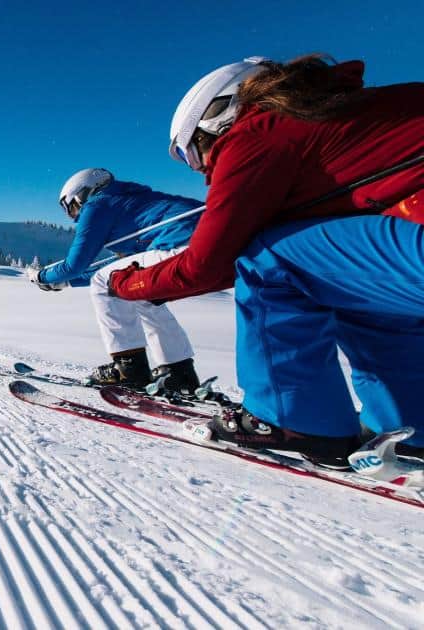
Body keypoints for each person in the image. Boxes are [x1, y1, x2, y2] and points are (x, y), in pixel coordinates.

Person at [108, 54, 424, 467]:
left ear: (218, 116)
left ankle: (293, 418)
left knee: (268, 256)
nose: (201, 169)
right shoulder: (339, 119)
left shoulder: (260, 130)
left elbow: (210, 264)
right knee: (351, 289)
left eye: (194, 152)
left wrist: (127, 284)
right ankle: (407, 424)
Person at [28, 168, 205, 393]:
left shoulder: (98, 205)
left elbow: (76, 265)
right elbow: (124, 269)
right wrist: (68, 282)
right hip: (209, 244)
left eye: (70, 207)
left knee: (107, 284)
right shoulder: (131, 201)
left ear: (81, 195)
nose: (73, 217)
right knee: (141, 294)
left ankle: (129, 371)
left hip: (181, 245)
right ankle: (179, 373)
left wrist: (42, 276)